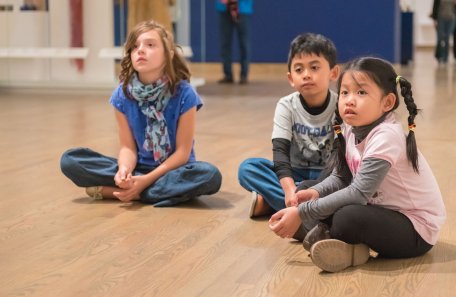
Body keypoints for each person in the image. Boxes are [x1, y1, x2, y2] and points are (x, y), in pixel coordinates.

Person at [269, 57, 446, 273]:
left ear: (387, 103)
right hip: (378, 211)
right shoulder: (350, 129)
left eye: (361, 93)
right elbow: (340, 177)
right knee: (306, 188)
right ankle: (341, 243)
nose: (349, 100)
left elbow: (358, 193)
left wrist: (302, 213)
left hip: (415, 230)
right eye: (344, 93)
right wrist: (315, 192)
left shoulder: (386, 136)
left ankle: (326, 234)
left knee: (347, 217)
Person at [60, 20, 222, 207]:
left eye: (150, 45)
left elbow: (183, 153)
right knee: (70, 160)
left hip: (175, 169)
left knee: (209, 175)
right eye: (135, 46)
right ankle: (150, 190)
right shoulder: (122, 94)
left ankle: (134, 193)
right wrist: (124, 170)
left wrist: (145, 180)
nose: (140, 50)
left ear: (168, 54)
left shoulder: (185, 93)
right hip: (138, 168)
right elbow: (127, 148)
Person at [238, 33, 339, 218]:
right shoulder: (286, 105)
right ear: (291, 78)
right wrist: (289, 190)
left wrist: (317, 189)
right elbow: (280, 152)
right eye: (299, 70)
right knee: (248, 168)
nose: (306, 75)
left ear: (333, 73)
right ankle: (311, 210)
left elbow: (339, 158)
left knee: (353, 181)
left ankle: (276, 204)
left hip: (327, 178)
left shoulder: (341, 106)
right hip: (294, 174)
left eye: (314, 67)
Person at [216, 0, 253, 84]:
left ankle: (244, 75)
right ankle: (228, 75)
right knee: (225, 43)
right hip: (223, 7)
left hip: (243, 8)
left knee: (244, 44)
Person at [431, 0, 456, 65]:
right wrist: (434, 19)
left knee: (447, 38)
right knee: (440, 37)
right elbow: (435, 7)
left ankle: (445, 58)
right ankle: (439, 56)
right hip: (441, 19)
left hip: (451, 19)